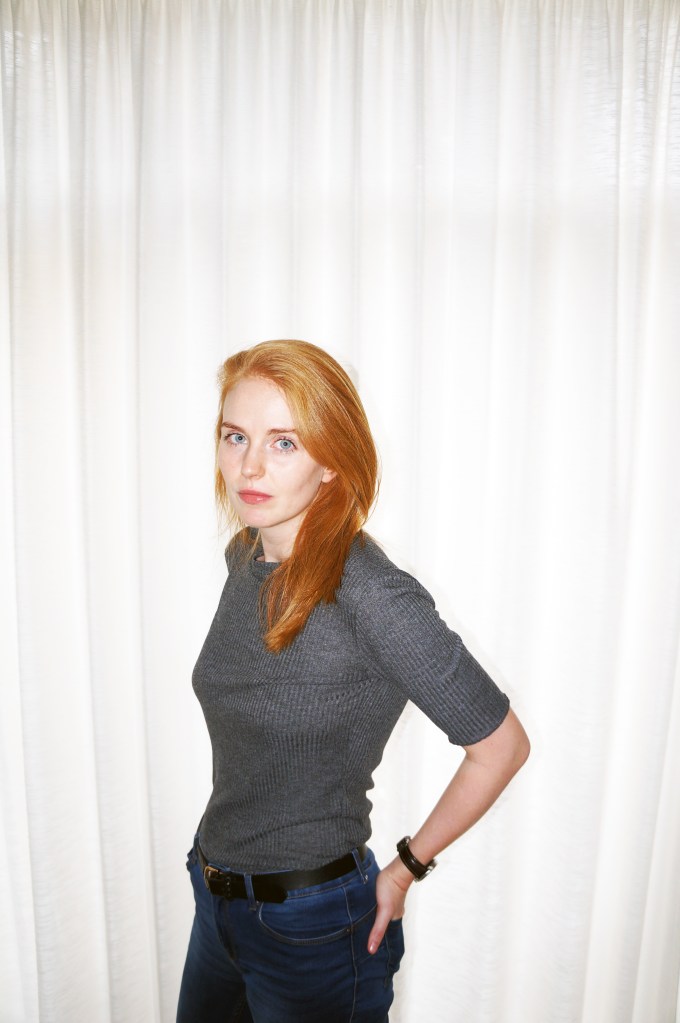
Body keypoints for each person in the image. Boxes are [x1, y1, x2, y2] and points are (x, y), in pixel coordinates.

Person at [176, 339, 530, 1023]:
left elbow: (502, 747)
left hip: (308, 927)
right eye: (236, 436)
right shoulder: (246, 556)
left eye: (284, 442)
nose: (249, 466)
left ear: (333, 460)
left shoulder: (372, 595)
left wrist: (406, 866)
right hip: (214, 899)